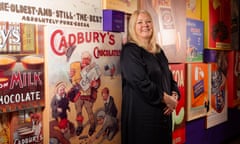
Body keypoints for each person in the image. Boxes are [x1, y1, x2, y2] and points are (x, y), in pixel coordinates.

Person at [120, 10, 180, 144]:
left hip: (163, 119)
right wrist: (167, 99)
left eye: (148, 21)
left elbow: (169, 77)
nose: (145, 25)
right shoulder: (130, 51)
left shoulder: (158, 50)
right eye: (139, 22)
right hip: (143, 121)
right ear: (133, 27)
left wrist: (175, 95)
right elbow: (141, 83)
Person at [67, 51, 101, 136]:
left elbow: (98, 83)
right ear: (81, 59)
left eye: (87, 59)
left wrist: (95, 84)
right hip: (78, 95)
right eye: (84, 59)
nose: (85, 61)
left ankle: (92, 126)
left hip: (88, 96)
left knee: (89, 112)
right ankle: (79, 126)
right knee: (78, 112)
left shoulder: (94, 70)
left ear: (90, 60)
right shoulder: (77, 68)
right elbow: (73, 82)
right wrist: (70, 77)